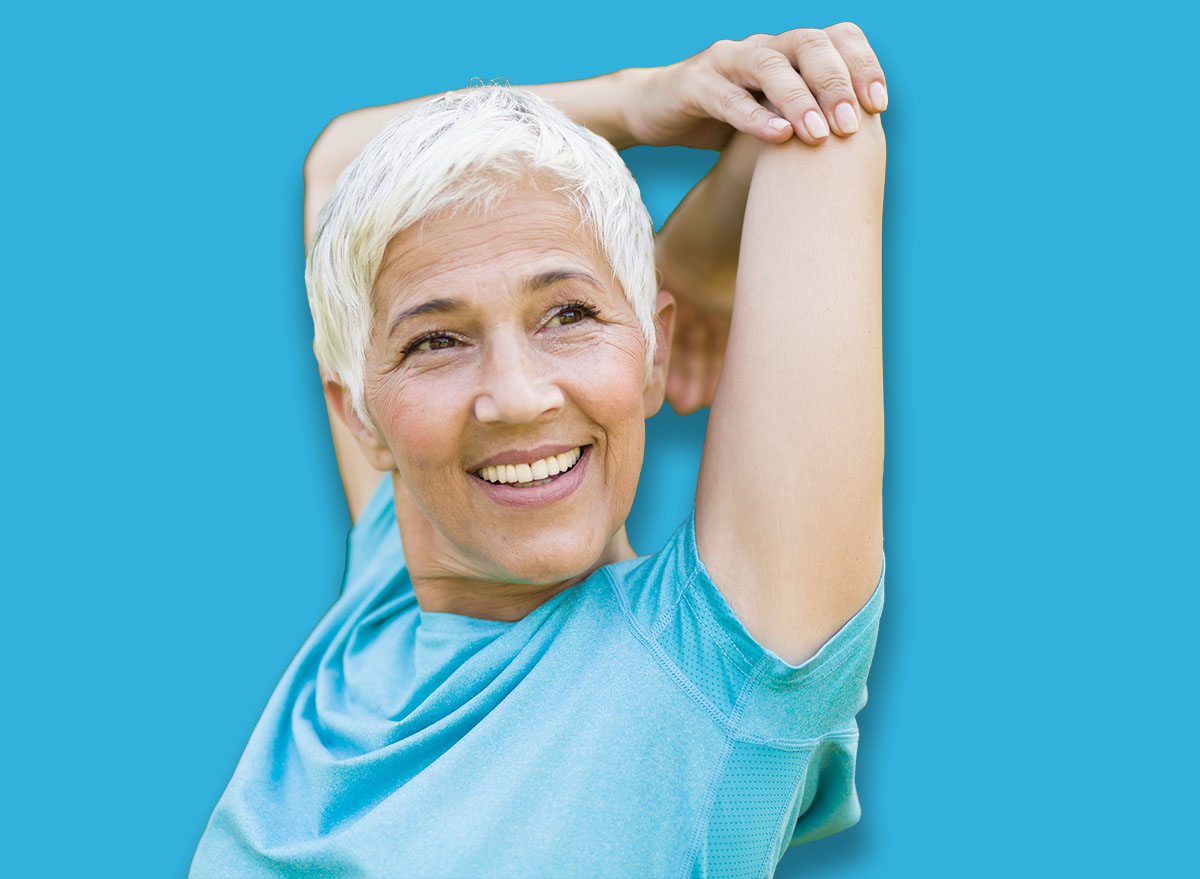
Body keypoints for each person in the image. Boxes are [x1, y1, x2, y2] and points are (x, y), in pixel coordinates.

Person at [191, 25, 888, 879]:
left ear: (653, 353)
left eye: (570, 315)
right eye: (437, 340)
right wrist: (644, 98)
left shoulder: (717, 667)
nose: (517, 397)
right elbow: (343, 161)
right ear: (363, 418)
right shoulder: (391, 580)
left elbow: (826, 127)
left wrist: (701, 252)